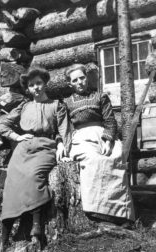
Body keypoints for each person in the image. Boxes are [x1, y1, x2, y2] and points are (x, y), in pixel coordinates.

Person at [0, 66, 69, 252]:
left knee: (33, 176)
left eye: (38, 83)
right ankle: (5, 236)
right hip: (24, 147)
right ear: (27, 88)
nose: (35, 87)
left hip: (46, 146)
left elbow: (64, 130)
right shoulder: (24, 106)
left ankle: (36, 229)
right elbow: (3, 123)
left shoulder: (57, 105)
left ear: (45, 84)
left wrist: (61, 144)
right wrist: (16, 136)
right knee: (12, 180)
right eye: (31, 85)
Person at [63, 63, 135, 225]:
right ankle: (97, 210)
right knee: (93, 160)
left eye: (82, 78)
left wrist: (108, 140)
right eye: (75, 80)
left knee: (116, 157)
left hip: (101, 134)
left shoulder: (100, 96)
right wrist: (62, 143)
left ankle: (121, 213)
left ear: (87, 78)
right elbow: (64, 126)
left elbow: (110, 120)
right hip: (80, 137)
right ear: (70, 84)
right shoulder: (66, 103)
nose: (80, 82)